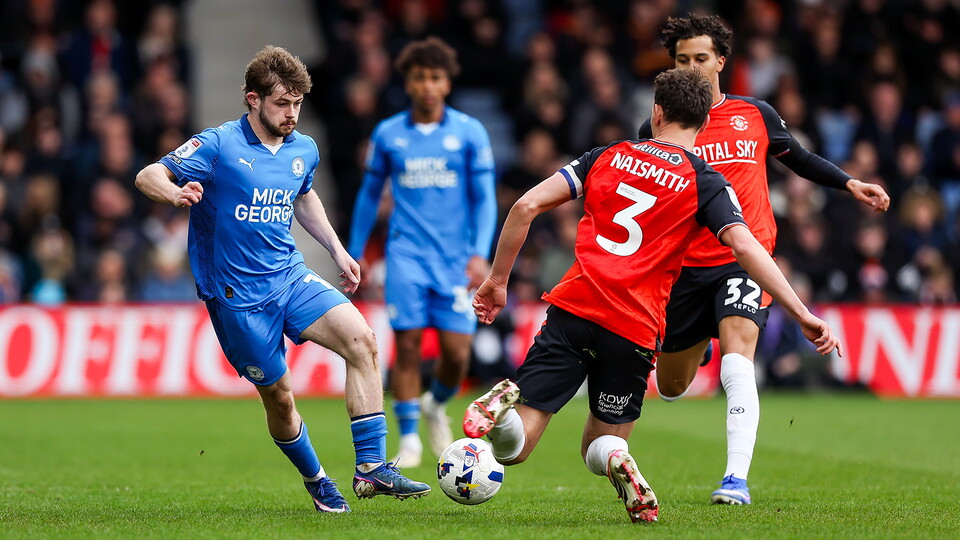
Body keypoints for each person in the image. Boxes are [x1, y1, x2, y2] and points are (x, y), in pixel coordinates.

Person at [463, 68, 842, 524]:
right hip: (635, 329)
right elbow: (745, 246)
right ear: (704, 123)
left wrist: (497, 281)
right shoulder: (705, 181)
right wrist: (800, 312)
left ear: (656, 112)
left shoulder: (607, 155)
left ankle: (504, 404)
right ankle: (618, 460)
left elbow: (525, 206)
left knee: (516, 448)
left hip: (575, 309)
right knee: (601, 445)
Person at [134, 45, 430, 513]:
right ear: (253, 99)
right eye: (281, 103)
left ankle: (371, 469)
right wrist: (174, 194)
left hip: (290, 277)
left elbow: (305, 198)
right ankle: (317, 479)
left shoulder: (304, 150)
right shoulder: (217, 145)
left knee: (363, 341)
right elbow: (148, 173)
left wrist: (337, 251)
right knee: (281, 399)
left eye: (297, 103)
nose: (292, 114)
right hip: (236, 299)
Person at [635, 13, 890, 505]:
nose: (692, 67)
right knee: (670, 387)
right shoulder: (658, 124)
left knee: (738, 360)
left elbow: (797, 156)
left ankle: (734, 480)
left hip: (745, 260)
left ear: (721, 61)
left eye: (701, 58)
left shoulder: (756, 114)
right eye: (682, 60)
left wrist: (848, 183)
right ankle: (696, 347)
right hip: (685, 269)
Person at [348, 37, 496, 468]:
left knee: (456, 353)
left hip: (455, 259)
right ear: (408, 83)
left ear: (447, 83)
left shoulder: (469, 132)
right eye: (419, 78)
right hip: (405, 256)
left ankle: (436, 404)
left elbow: (485, 198)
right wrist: (354, 251)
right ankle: (409, 439)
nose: (428, 85)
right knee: (408, 345)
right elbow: (369, 194)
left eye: (435, 77)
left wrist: (479, 254)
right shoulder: (389, 134)